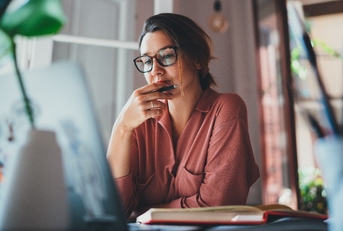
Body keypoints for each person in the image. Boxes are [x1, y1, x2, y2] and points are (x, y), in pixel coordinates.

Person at [107, 13, 260, 219]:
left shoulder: (226, 108)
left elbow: (217, 206)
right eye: (147, 61)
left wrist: (142, 212)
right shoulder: (137, 123)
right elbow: (114, 209)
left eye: (167, 56)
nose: (156, 72)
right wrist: (122, 127)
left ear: (197, 59)